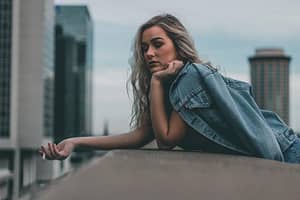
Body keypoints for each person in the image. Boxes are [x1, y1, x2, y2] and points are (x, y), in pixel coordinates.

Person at [40, 14, 300, 164]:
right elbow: (142, 135)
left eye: (157, 44)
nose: (149, 53)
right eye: (144, 48)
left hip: (289, 151)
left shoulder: (190, 77)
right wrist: (74, 142)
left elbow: (165, 140)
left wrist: (156, 83)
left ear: (177, 45)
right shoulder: (172, 86)